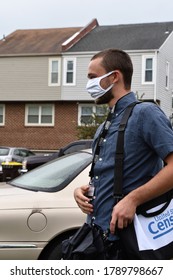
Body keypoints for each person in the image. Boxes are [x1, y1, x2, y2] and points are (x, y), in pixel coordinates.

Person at [74, 48, 173, 258]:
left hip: (131, 242)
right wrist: (83, 192)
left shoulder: (145, 113)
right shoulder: (104, 128)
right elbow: (110, 174)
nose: (88, 84)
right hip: (98, 238)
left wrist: (132, 199)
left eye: (93, 77)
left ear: (114, 77)